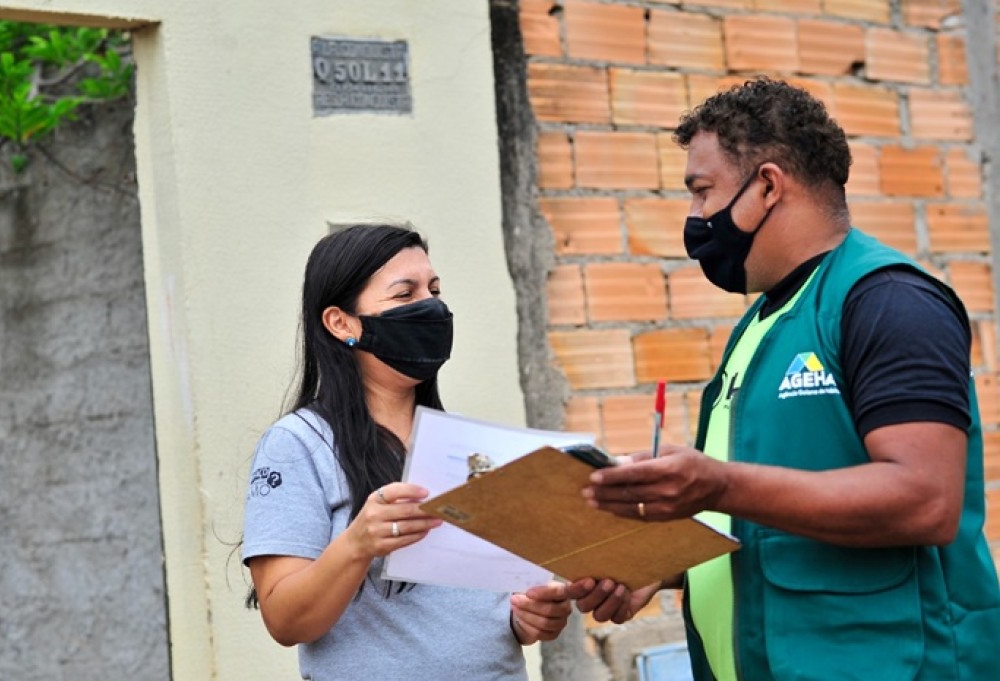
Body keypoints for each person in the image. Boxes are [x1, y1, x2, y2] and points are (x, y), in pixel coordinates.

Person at [580, 78, 1000, 680]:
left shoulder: (890, 301)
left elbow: (926, 501)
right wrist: (670, 565)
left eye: (702, 192)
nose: (695, 219)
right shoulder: (762, 321)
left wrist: (716, 485)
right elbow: (769, 515)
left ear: (769, 186)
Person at [242, 224, 594, 679]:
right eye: (404, 294)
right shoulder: (297, 445)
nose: (430, 306)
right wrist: (357, 544)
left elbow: (482, 608)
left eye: (434, 290)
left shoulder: (469, 448)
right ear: (340, 323)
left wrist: (523, 619)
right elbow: (285, 620)